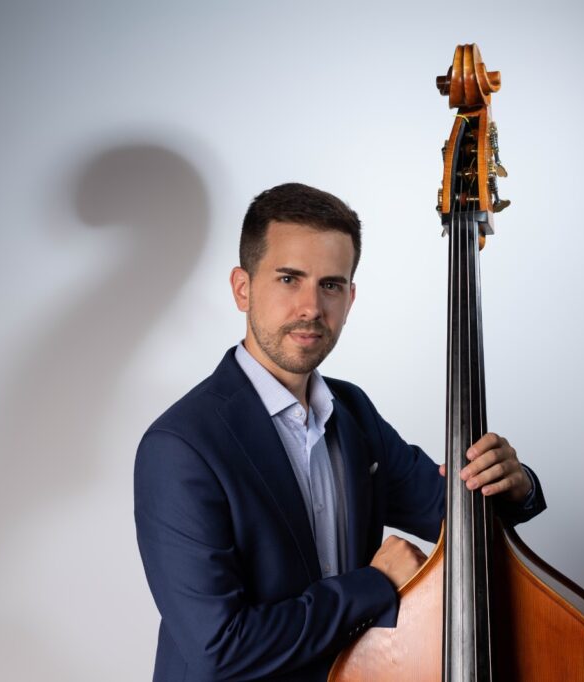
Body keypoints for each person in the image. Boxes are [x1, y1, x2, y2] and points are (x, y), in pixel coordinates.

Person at [134, 183, 546, 681]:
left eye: (330, 285)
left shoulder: (352, 413)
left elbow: (453, 516)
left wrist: (515, 484)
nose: (311, 307)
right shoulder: (181, 447)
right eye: (289, 279)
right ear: (243, 288)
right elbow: (221, 648)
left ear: (350, 298)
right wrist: (374, 584)